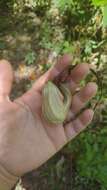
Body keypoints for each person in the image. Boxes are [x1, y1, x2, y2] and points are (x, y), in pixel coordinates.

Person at [0, 54, 97, 190]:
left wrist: (3, 173)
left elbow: (59, 105)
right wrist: (3, 172)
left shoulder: (52, 94)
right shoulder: (52, 94)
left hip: (56, 112)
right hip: (56, 111)